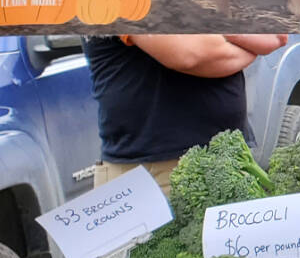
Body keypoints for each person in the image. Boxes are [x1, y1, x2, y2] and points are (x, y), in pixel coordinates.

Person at [86, 34, 287, 190]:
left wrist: (214, 35)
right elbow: (190, 54)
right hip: (155, 174)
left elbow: (274, 37)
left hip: (224, 161)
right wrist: (246, 44)